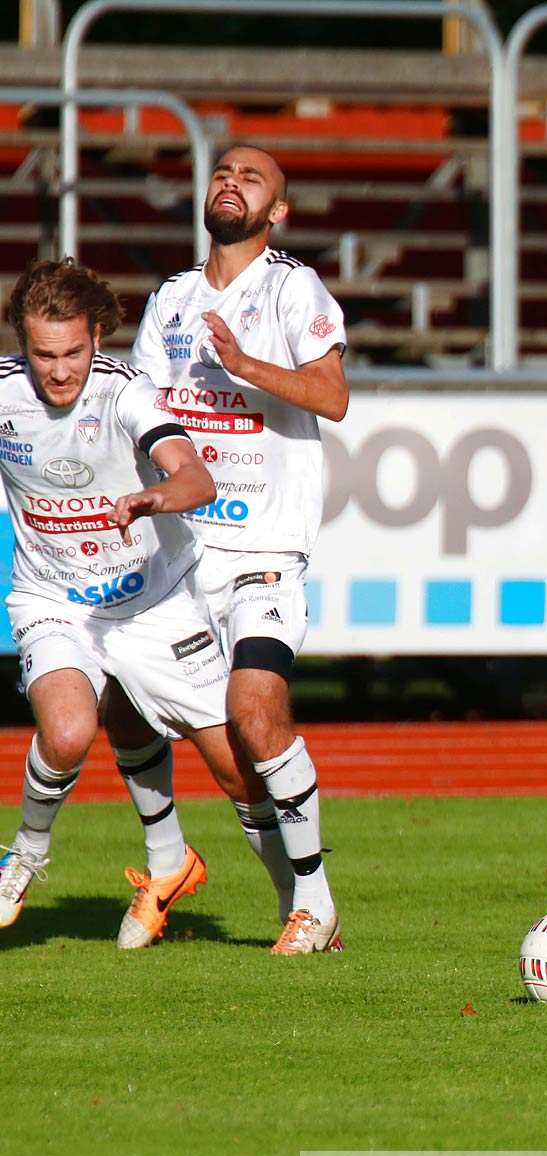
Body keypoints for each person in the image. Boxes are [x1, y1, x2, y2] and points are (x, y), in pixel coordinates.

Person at [106, 144, 349, 954]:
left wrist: (246, 366)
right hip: (177, 552)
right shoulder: (171, 298)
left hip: (263, 548)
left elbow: (334, 395)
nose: (231, 184)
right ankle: (224, 877)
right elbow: (139, 415)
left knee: (255, 710)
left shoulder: (290, 286)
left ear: (276, 211)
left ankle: (316, 901)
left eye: (252, 179)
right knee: (126, 707)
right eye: (222, 173)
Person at [0, 258, 253, 949]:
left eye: (73, 353)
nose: (58, 371)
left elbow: (195, 477)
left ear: (99, 337)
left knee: (237, 768)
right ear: (22, 344)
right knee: (71, 730)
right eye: (42, 355)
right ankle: (24, 854)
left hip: (153, 600)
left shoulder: (125, 395)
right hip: (55, 599)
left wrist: (154, 496)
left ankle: (305, 911)